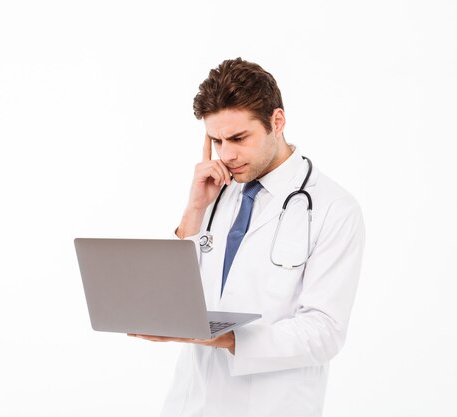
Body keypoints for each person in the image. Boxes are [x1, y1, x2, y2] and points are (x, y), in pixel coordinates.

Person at [129, 58, 365, 417]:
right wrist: (193, 211)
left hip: (273, 405)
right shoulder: (216, 191)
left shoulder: (334, 208)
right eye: (216, 140)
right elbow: (175, 296)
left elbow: (325, 332)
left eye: (239, 138)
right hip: (191, 403)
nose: (227, 154)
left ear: (277, 122)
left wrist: (225, 337)